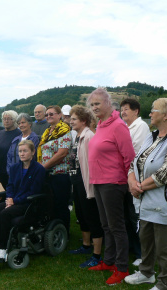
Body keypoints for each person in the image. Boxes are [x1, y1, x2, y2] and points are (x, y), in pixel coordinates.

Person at [125, 98, 167, 290]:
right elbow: (135, 162)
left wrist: (138, 187)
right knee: (146, 240)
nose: (151, 113)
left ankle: (166, 283)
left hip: (164, 201)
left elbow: (166, 173)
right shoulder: (152, 136)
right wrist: (131, 181)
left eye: (154, 110)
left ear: (166, 115)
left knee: (164, 247)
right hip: (145, 198)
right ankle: (146, 273)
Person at [87, 88, 135, 285]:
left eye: (97, 103)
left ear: (108, 103)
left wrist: (127, 181)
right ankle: (108, 261)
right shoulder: (101, 125)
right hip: (98, 181)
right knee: (106, 225)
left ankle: (122, 267)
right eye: (92, 105)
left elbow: (129, 156)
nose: (94, 107)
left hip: (113, 182)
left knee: (117, 226)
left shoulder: (118, 125)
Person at [0, 140, 46, 260]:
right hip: (12, 201)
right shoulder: (14, 168)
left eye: (25, 151)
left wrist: (14, 201)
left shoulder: (39, 169)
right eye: (20, 151)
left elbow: (33, 191)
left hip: (27, 203)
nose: (22, 154)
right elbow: (10, 186)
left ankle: (3, 249)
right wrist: (9, 199)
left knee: (4, 214)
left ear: (33, 152)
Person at [67, 106, 103, 269]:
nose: (71, 121)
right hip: (77, 181)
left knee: (91, 216)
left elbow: (93, 163)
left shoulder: (89, 137)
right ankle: (86, 245)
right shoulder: (79, 136)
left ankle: (97, 255)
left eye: (74, 119)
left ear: (83, 120)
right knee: (81, 214)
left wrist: (90, 184)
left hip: (86, 182)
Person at [120, 98, 150, 266]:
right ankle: (133, 248)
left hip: (137, 177)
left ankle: (141, 253)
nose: (123, 112)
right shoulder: (126, 126)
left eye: (126, 109)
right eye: (122, 109)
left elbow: (132, 150)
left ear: (136, 111)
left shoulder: (141, 126)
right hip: (125, 176)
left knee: (135, 216)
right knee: (127, 215)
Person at [38, 105, 72, 233]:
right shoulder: (48, 132)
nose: (48, 116)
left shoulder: (64, 130)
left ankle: (63, 232)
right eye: (47, 114)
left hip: (60, 175)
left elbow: (62, 153)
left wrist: (43, 167)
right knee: (49, 204)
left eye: (51, 114)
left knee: (60, 205)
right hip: (47, 174)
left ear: (59, 115)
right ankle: (52, 230)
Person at [0, 110, 21, 188]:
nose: (6, 121)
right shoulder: (0, 133)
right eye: (4, 119)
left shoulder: (19, 133)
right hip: (0, 169)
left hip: (12, 169)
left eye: (9, 119)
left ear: (14, 120)